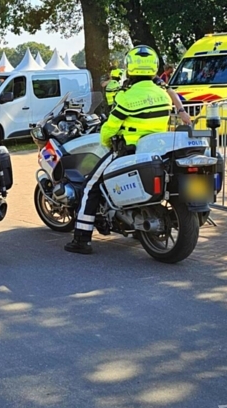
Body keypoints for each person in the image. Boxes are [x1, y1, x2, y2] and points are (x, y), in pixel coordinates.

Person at [65, 45, 190, 255]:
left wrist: (106, 140)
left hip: (128, 150)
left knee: (90, 185)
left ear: (130, 68)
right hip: (156, 148)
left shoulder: (126, 97)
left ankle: (82, 238)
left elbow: (110, 128)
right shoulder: (163, 94)